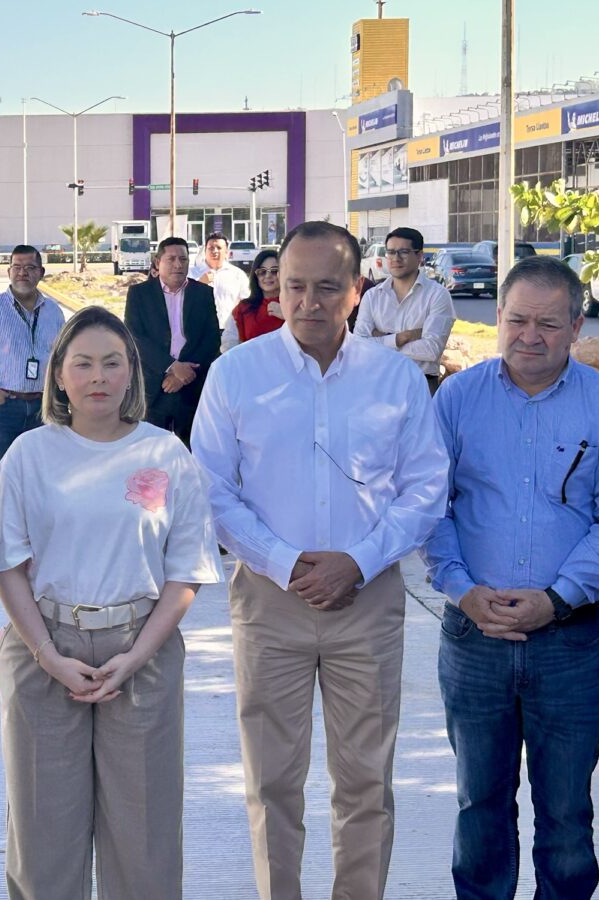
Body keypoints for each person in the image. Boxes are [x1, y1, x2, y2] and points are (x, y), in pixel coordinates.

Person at [190, 221, 448, 900]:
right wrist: (284, 561)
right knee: (272, 781)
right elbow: (210, 488)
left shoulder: (396, 378)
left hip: (367, 600)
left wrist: (357, 562)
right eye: (295, 285)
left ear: (357, 289)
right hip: (268, 601)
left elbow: (426, 488)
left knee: (365, 782)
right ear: (276, 287)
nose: (308, 302)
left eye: (327, 287)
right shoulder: (235, 374)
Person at [0, 305, 222, 899]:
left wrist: (137, 656)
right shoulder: (29, 455)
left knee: (144, 835)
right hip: (45, 646)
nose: (98, 377)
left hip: (141, 646)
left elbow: (186, 571)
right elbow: (7, 565)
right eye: (83, 364)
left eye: (112, 363)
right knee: (43, 835)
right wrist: (46, 654)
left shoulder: (165, 454)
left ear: (132, 371)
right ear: (58, 375)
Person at [423, 256, 599, 899]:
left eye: (548, 323)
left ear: (577, 327)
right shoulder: (457, 398)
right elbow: (430, 508)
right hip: (473, 636)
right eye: (517, 320)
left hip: (568, 641)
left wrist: (556, 599)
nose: (529, 336)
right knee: (479, 805)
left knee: (566, 813)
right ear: (498, 319)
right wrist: (462, 590)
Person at [0, 244, 65, 507]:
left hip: (42, 407)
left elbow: (62, 357)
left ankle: (34, 527)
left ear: (41, 272)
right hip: (3, 406)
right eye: (17, 267)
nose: (22, 273)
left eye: (30, 267)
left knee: (40, 474)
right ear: (8, 271)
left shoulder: (54, 312)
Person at [124, 236, 220, 448]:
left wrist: (184, 375)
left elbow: (212, 338)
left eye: (183, 259)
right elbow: (134, 337)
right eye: (171, 259)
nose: (178, 264)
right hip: (154, 388)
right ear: (158, 262)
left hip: (192, 386)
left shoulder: (203, 294)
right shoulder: (139, 294)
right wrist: (172, 367)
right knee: (151, 453)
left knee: (192, 451)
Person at [353, 227, 455, 393]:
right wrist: (401, 338)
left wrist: (381, 339)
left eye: (404, 252)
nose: (396, 258)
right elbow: (359, 344)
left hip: (421, 383)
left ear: (420, 256)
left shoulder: (437, 295)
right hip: (377, 383)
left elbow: (431, 349)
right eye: (391, 252)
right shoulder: (372, 296)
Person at [188, 232, 250, 351]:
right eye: (211, 248)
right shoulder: (192, 274)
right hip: (199, 332)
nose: (215, 251)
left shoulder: (237, 274)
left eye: (219, 248)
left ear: (226, 252)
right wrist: (199, 283)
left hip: (229, 332)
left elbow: (246, 303)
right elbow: (183, 301)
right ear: (205, 251)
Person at [227, 248, 284, 347]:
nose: (268, 276)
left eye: (274, 271)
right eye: (262, 271)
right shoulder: (243, 308)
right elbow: (229, 345)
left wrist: (288, 317)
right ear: (255, 276)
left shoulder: (295, 305)